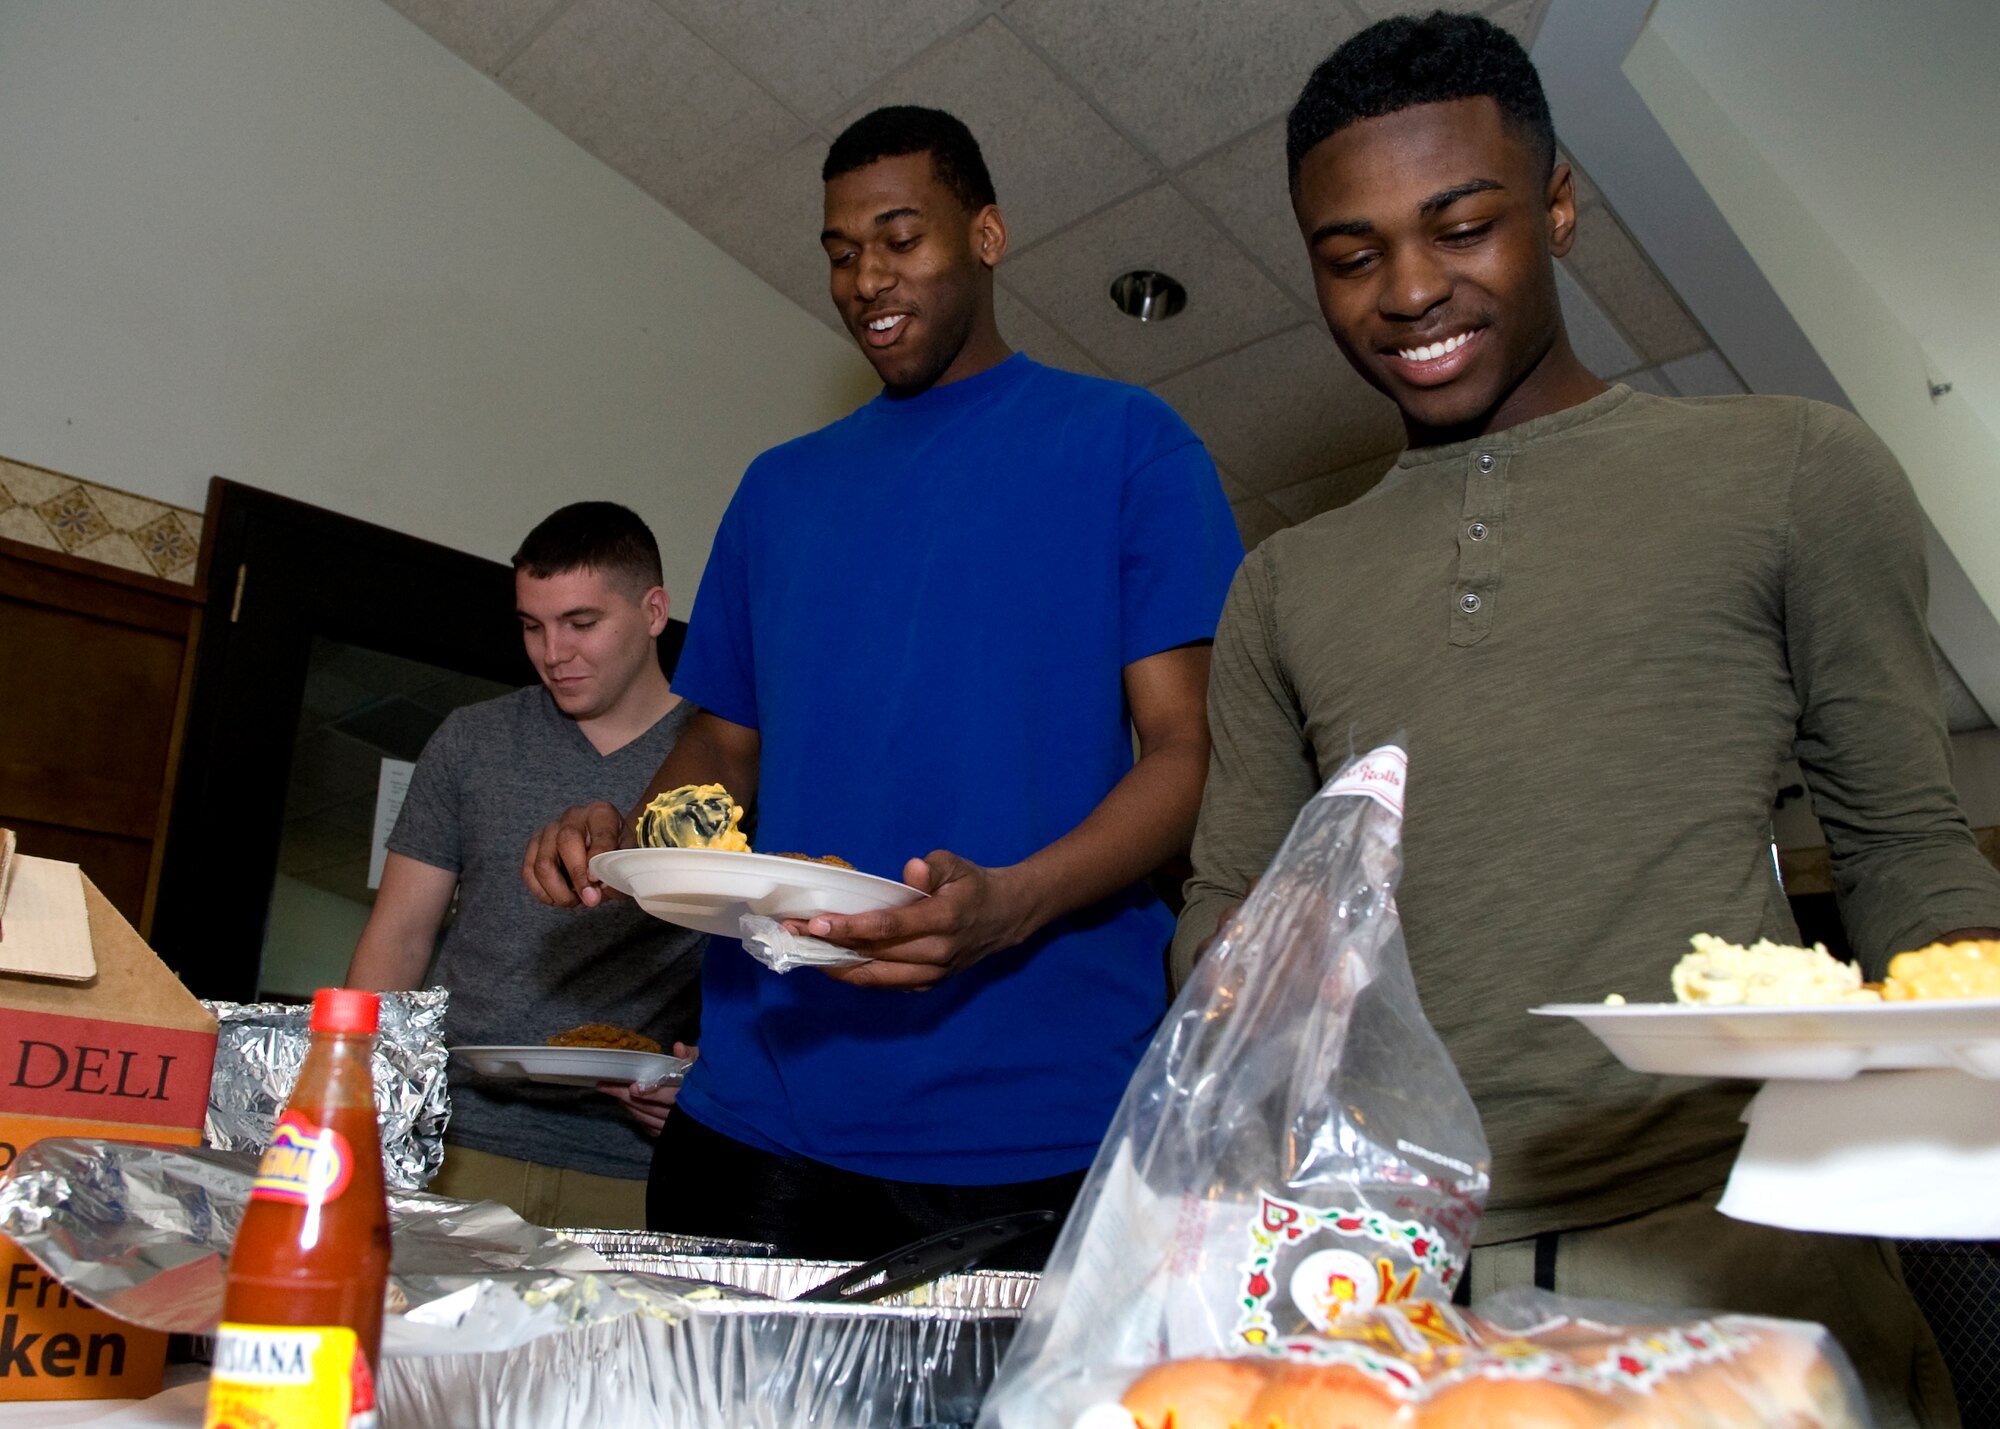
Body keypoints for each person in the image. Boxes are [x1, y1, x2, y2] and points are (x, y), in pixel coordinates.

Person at [1173, 14, 2000, 1428]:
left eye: (1463, 226)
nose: (1410, 290)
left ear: (1557, 208)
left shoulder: (1794, 466)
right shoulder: (1282, 585)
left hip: (1728, 1241)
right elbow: (1227, 922)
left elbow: (1904, 848)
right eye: (1352, 254)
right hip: (1381, 1280)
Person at [523, 106, 1242, 1263]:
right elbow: (725, 742)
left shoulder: (1126, 444)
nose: (865, 278)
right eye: (840, 251)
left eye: (899, 238)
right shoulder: (778, 490)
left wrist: (1010, 901)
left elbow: (1188, 751)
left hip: (1037, 1124)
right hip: (759, 1110)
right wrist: (635, 833)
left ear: (987, 235)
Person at [347, 502, 702, 1230]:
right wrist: (351, 1094)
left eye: (581, 623)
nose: (552, 652)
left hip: (632, 1171)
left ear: (654, 610)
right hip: (456, 1144)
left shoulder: (721, 760)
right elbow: (400, 936)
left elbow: (765, 954)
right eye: (531, 625)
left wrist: (713, 1079)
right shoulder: (472, 740)